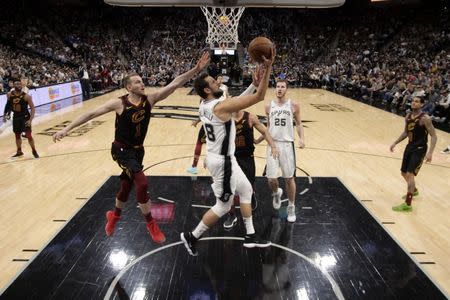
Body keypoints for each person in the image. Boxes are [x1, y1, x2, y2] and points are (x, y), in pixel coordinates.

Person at [53, 52, 210, 243]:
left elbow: (175, 83)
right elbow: (91, 114)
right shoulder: (119, 103)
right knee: (142, 183)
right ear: (128, 87)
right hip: (120, 150)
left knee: (126, 187)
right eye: (137, 82)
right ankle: (151, 224)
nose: (142, 83)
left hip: (137, 150)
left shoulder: (149, 100)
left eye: (142, 81)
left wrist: (196, 70)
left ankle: (114, 216)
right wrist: (67, 129)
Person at [181, 46, 276, 256]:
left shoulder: (205, 105)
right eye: (214, 82)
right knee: (223, 207)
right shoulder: (219, 107)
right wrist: (267, 69)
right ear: (207, 90)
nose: (219, 83)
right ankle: (192, 236)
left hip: (223, 158)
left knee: (246, 191)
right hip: (222, 162)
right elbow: (259, 97)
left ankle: (250, 235)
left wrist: (252, 83)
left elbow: (234, 102)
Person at [264, 79, 305, 223]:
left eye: (282, 87)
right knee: (271, 179)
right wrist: (262, 139)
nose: (280, 89)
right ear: (275, 89)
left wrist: (301, 138)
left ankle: (291, 207)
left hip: (287, 145)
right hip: (273, 144)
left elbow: (299, 124)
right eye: (277, 86)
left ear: (286, 89)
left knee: (289, 179)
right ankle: (276, 193)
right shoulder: (268, 106)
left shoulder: (293, 105)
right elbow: (268, 126)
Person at [390, 97, 437, 212]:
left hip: (420, 149)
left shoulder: (425, 118)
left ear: (422, 104)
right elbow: (406, 132)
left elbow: (434, 136)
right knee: (403, 172)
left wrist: (430, 153)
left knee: (410, 174)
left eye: (417, 101)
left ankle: (408, 204)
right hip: (409, 147)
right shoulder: (408, 116)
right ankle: (414, 190)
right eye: (413, 101)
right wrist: (395, 142)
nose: (414, 103)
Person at [187, 76, 229, 175]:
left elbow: (204, 107)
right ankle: (196, 166)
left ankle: (195, 166)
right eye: (215, 80)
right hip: (218, 119)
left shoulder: (219, 91)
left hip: (212, 121)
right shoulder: (220, 91)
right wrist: (198, 120)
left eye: (218, 79)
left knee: (201, 143)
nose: (217, 81)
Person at [3, 80, 39, 158]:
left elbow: (33, 109)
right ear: (13, 86)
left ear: (21, 85)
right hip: (16, 117)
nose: (18, 85)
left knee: (29, 135)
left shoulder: (26, 96)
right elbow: (8, 105)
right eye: (16, 84)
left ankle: (34, 151)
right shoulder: (9, 94)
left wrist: (30, 120)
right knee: (17, 135)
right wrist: (5, 114)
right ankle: (19, 151)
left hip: (25, 117)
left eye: (19, 84)